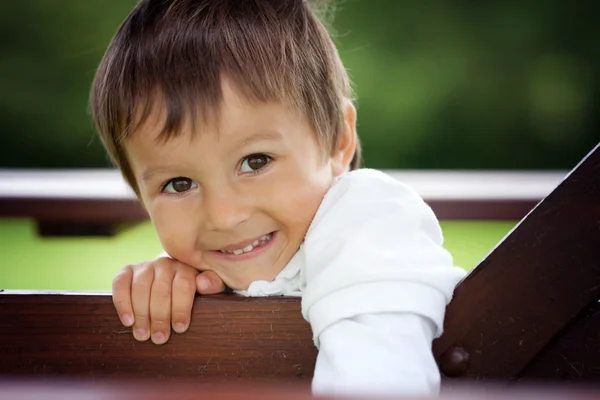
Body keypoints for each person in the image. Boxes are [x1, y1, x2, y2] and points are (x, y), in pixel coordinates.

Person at [90, 0, 466, 396]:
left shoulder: (369, 220)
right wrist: (179, 287)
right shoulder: (208, 270)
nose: (224, 216)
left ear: (338, 140)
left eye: (255, 162)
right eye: (180, 185)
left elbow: (378, 373)